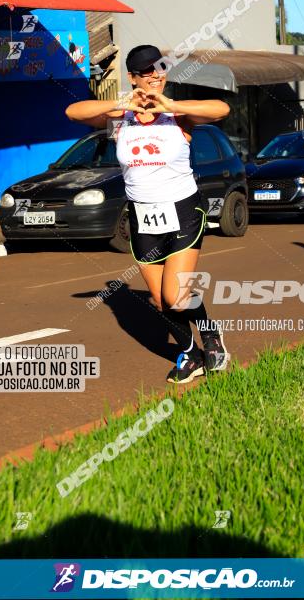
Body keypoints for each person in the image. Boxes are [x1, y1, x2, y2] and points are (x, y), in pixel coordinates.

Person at [65, 44, 231, 384]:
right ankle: (191, 354)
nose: (154, 76)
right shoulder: (121, 117)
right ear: (132, 77)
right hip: (142, 215)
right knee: (159, 300)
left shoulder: (178, 114)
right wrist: (120, 103)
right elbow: (73, 112)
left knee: (175, 295)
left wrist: (170, 104)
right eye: (145, 72)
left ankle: (211, 334)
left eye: (159, 69)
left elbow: (221, 109)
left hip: (183, 210)